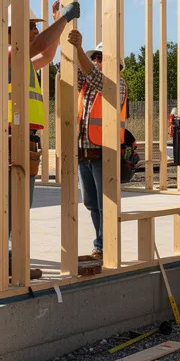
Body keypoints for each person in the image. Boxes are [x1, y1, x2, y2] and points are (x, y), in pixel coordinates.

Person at [0, 2, 76, 285]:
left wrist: (58, 23)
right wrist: (62, 19)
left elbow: (47, 52)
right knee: (3, 206)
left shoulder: (23, 59)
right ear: (13, 31)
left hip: (23, 141)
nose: (36, 30)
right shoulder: (8, 55)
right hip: (8, 141)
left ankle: (10, 261)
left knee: (17, 208)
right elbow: (40, 44)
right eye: (31, 25)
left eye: (37, 25)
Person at [69, 34, 129, 261]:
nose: (97, 61)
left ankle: (105, 248)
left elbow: (94, 77)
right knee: (92, 204)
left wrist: (79, 48)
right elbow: (72, 73)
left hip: (104, 155)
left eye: (102, 58)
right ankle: (101, 246)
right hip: (85, 154)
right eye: (96, 57)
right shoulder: (87, 85)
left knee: (106, 205)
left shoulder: (116, 84)